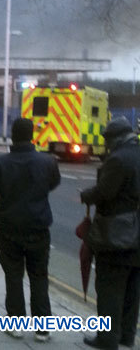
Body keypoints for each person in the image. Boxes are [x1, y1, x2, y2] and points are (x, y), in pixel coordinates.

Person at [0, 117, 60, 343]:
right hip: (39, 228)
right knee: (39, 277)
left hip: (9, 229)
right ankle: (42, 329)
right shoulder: (48, 162)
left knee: (13, 276)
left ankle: (16, 325)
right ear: (32, 136)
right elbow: (53, 183)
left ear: (12, 137)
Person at [80, 116, 140, 349]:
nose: (106, 146)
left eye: (108, 141)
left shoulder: (118, 159)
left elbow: (105, 192)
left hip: (117, 236)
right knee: (133, 289)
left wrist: (86, 195)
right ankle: (126, 335)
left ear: (115, 139)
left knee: (110, 288)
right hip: (137, 235)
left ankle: (107, 338)